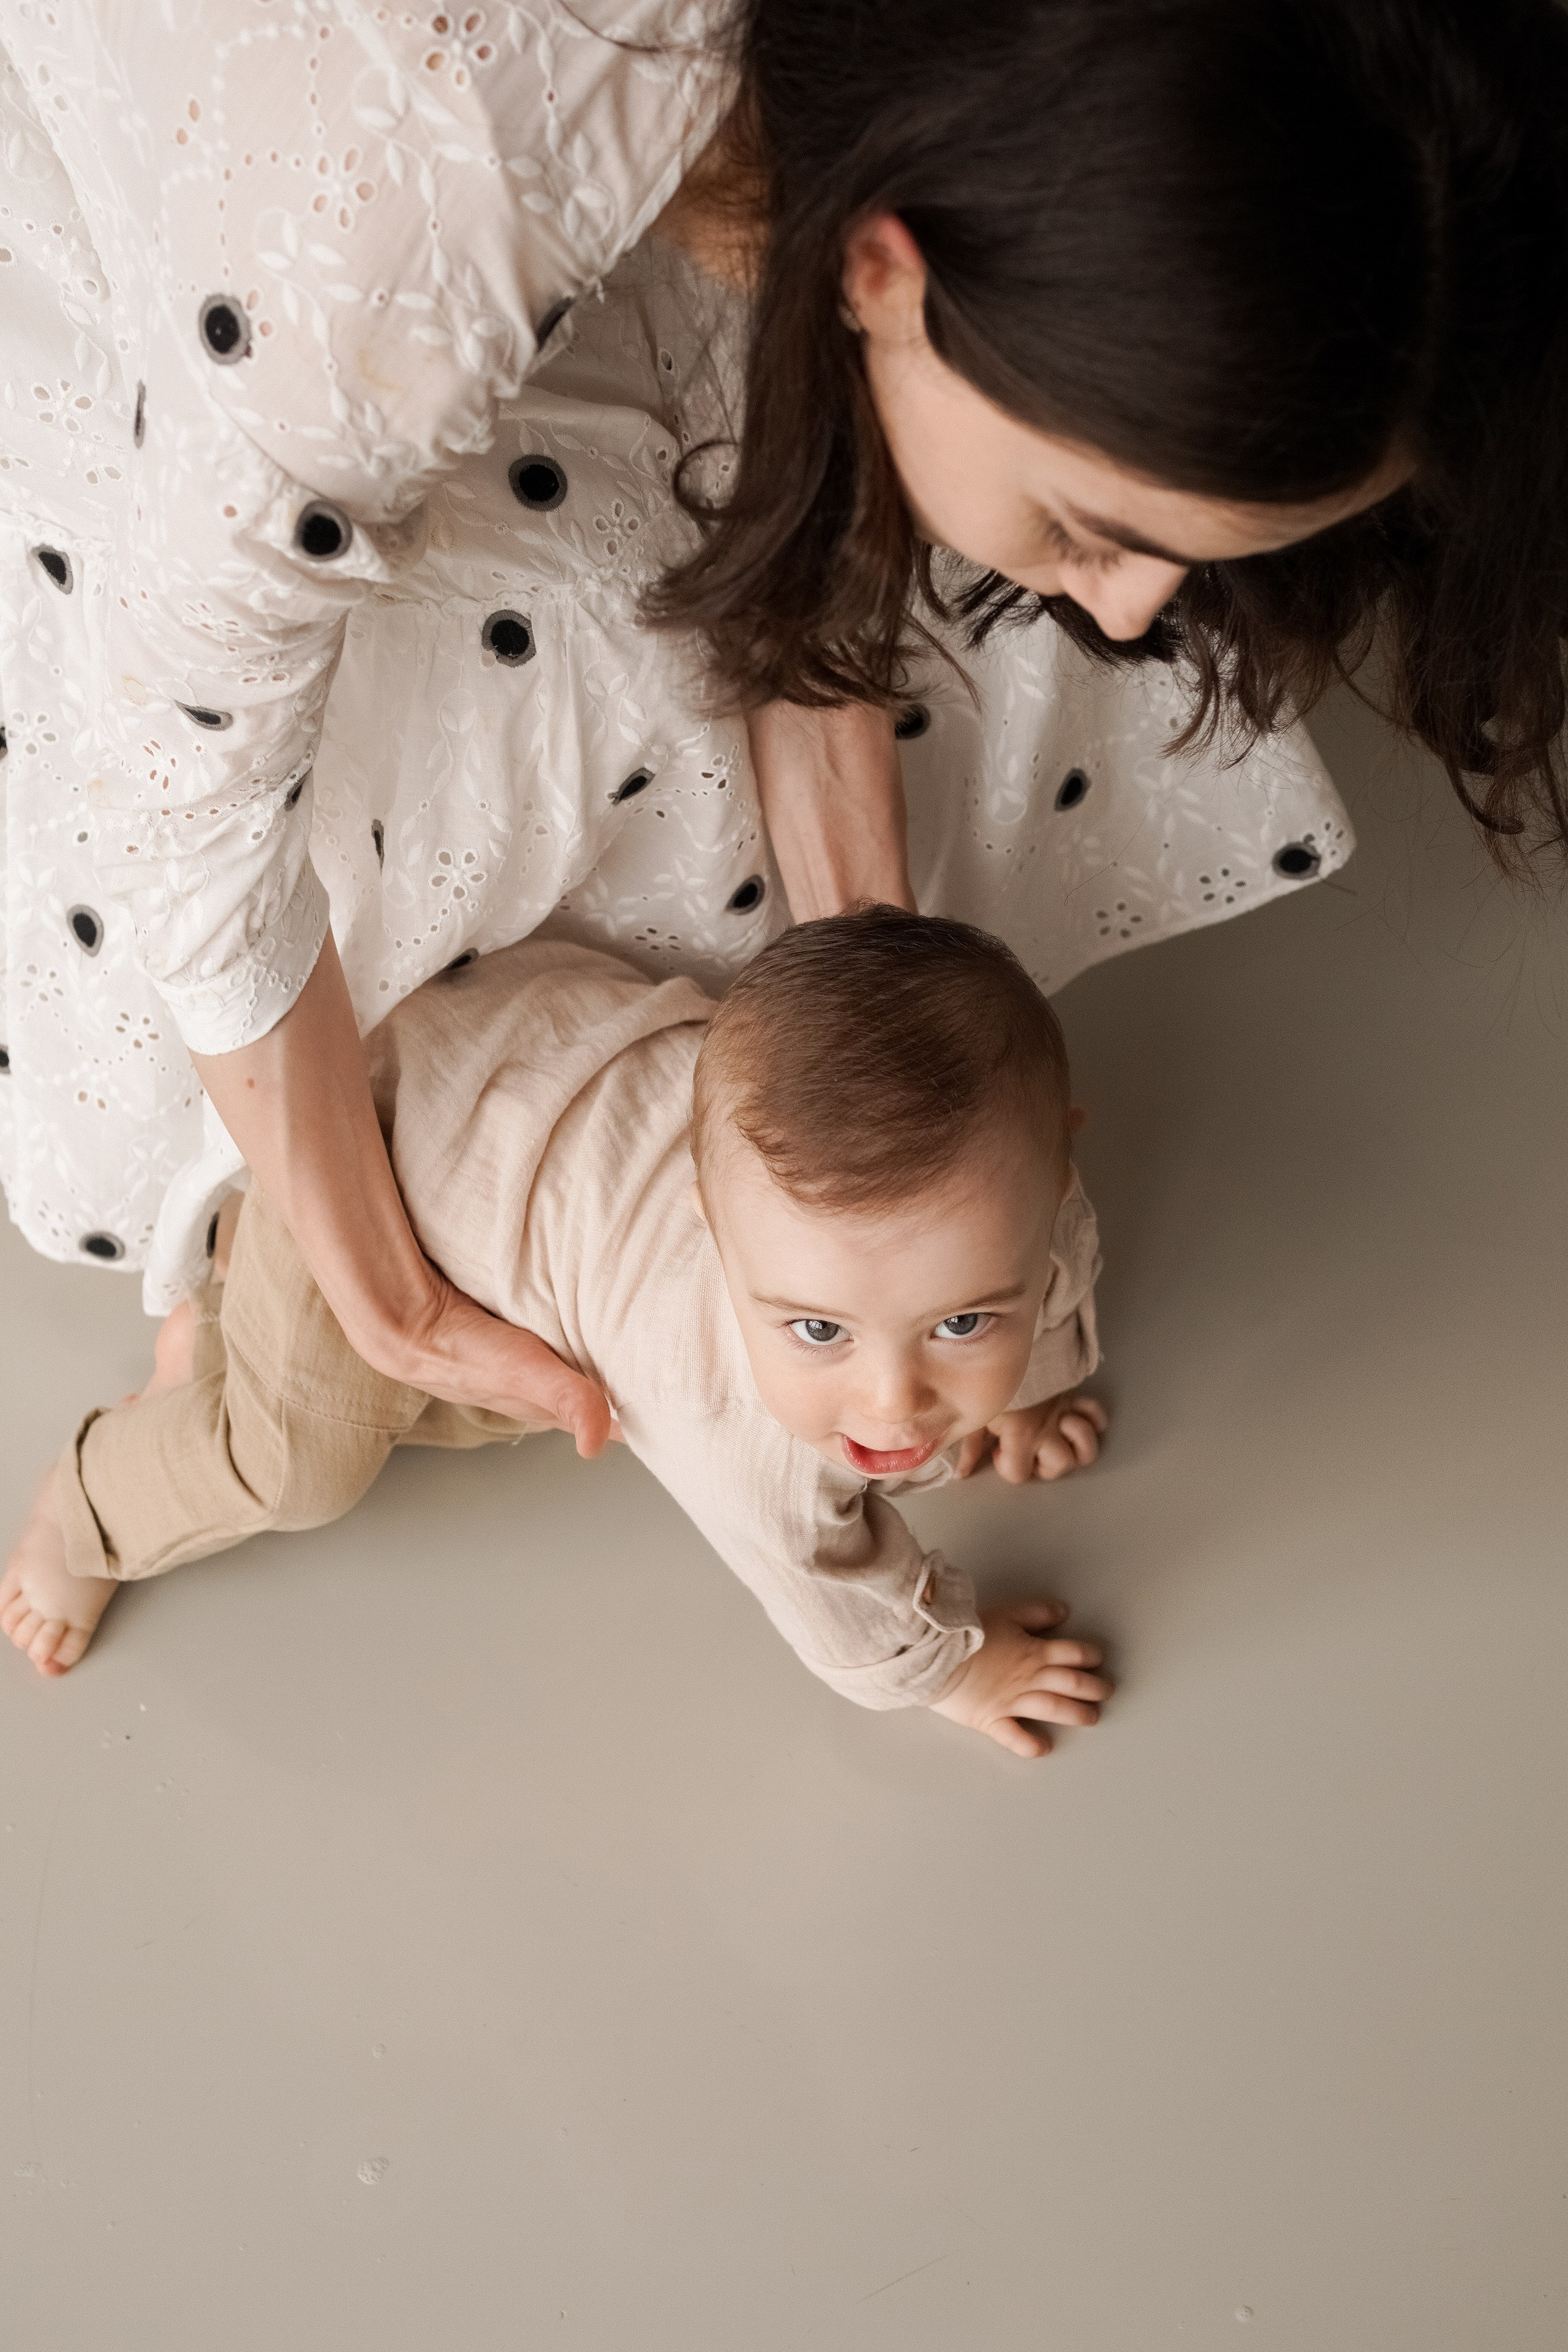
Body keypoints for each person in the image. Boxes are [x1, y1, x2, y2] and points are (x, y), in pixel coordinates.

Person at [2, 1, 1564, 1449]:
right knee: (516, 669)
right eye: (1093, 523)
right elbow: (178, 772)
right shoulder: (382, 266)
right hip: (304, 232)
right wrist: (387, 1297)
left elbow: (779, 438)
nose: (1137, 613)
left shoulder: (921, 115)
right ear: (882, 267)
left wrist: (887, 1059)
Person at [1, 909, 1114, 1760]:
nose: (891, 1403)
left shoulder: (1021, 1214)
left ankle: (230, 1309)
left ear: (1058, 1173)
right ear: (708, 1221)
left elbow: (1049, 1272)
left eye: (961, 1322)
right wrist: (957, 1673)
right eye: (817, 1328)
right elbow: (834, 1587)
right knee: (302, 1456)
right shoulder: (745, 1434)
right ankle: (95, 1498)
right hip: (368, 1169)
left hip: (522, 1030)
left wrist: (1032, 1390)